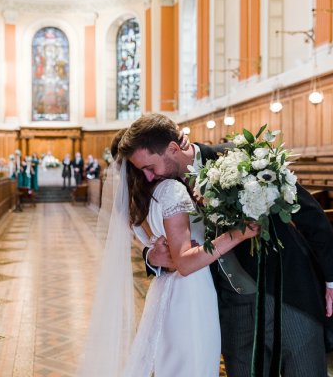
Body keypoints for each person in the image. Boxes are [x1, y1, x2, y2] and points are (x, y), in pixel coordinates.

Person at [117, 114, 333, 377]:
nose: (148, 177)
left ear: (173, 149)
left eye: (150, 167)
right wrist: (152, 257)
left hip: (284, 293)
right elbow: (159, 238)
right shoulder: (161, 187)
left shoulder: (240, 159)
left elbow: (307, 210)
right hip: (229, 307)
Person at [78, 129, 259, 377]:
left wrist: (152, 256)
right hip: (192, 289)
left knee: (171, 363)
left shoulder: (137, 199)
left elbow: (157, 246)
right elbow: (184, 261)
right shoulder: (170, 189)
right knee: (194, 364)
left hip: (165, 290)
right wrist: (238, 233)